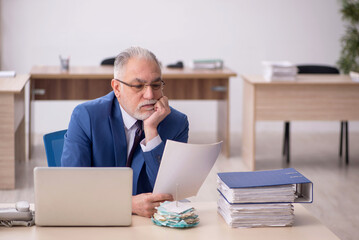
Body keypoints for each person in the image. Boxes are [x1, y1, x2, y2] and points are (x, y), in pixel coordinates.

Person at [61, 46, 189, 218]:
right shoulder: (86, 117)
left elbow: (168, 194)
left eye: (156, 85)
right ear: (117, 88)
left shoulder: (177, 123)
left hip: (150, 227)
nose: (150, 94)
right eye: (138, 86)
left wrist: (151, 132)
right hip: (96, 218)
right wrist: (128, 204)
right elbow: (72, 188)